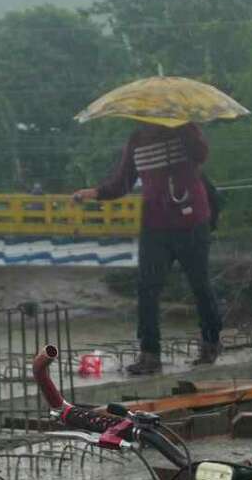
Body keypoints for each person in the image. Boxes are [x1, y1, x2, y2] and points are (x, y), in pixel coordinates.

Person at [76, 120, 222, 374]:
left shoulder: (185, 130)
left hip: (192, 221)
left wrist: (180, 129)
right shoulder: (137, 139)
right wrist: (95, 193)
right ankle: (150, 353)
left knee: (199, 284)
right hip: (155, 225)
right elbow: (123, 182)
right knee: (147, 288)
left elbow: (201, 155)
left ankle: (211, 342)